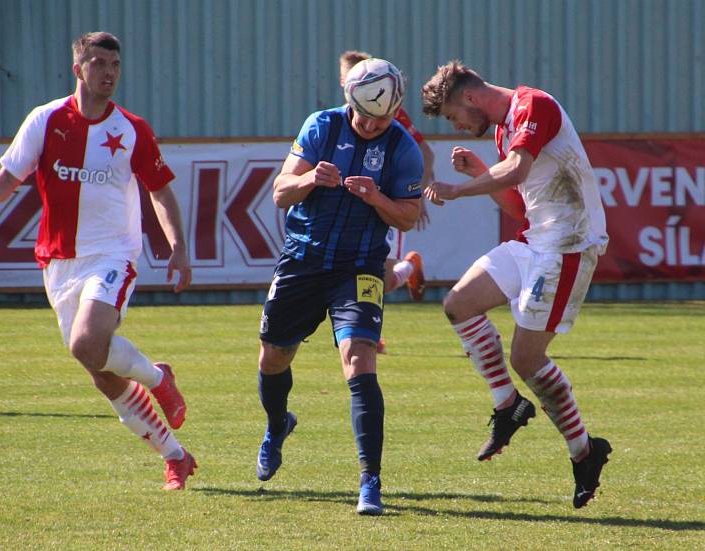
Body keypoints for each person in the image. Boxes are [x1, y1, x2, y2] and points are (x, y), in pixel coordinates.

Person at [0, 32, 197, 490]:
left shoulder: (131, 129)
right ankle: (175, 455)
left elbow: (160, 190)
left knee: (87, 342)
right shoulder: (46, 120)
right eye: (99, 63)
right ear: (79, 68)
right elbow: (12, 174)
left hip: (113, 254)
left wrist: (178, 247)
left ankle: (156, 377)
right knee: (102, 374)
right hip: (58, 261)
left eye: (115, 64)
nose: (109, 72)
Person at [421, 60, 611, 508]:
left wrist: (459, 188)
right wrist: (476, 176)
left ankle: (585, 452)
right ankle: (508, 405)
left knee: (527, 359)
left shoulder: (534, 105)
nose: (458, 125)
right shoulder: (503, 130)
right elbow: (517, 205)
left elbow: (517, 172)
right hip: (536, 239)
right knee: (459, 305)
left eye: (452, 116)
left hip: (567, 244)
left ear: (468, 97)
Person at [256, 58, 423, 515]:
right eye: (366, 116)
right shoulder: (321, 127)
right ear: (350, 101)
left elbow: (409, 214)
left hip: (360, 267)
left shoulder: (402, 147)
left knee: (359, 359)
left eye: (383, 118)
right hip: (303, 262)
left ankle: (371, 481)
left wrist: (377, 198)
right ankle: (277, 426)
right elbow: (279, 191)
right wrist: (310, 178)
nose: (373, 125)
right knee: (274, 356)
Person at [339, 51, 433, 354]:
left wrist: (416, 194)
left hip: (386, 204)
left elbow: (425, 153)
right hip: (353, 209)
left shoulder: (391, 114)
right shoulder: (338, 117)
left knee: (383, 277)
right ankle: (363, 327)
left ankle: (408, 267)